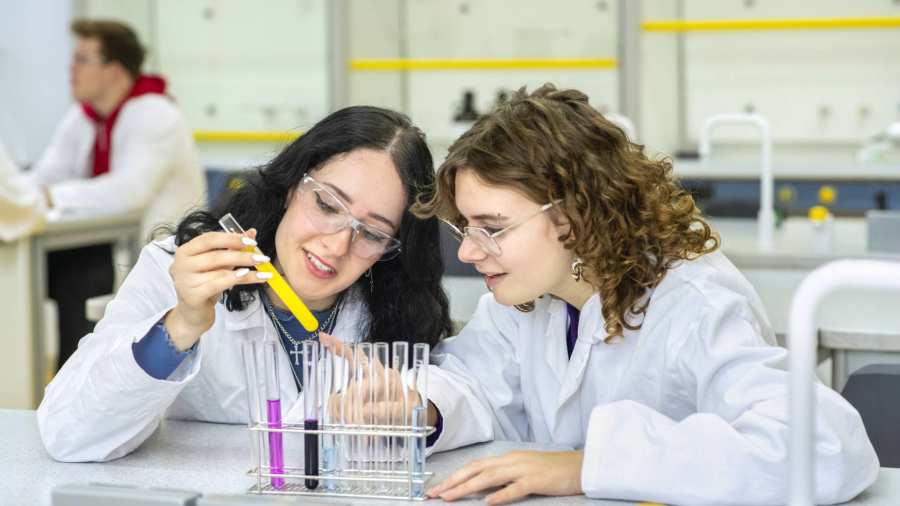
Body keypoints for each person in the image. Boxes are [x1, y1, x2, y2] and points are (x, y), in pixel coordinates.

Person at [408, 84, 878, 505]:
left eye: (492, 228)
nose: (468, 251)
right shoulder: (523, 298)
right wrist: (421, 405)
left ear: (573, 215)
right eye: (466, 228)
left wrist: (587, 467)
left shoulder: (694, 301)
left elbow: (820, 447)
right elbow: (478, 382)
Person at [37, 105, 453, 463]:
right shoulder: (177, 268)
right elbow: (69, 435)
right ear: (291, 186)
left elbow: (456, 411)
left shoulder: (401, 306)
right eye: (327, 204)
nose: (338, 244)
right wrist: (180, 326)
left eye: (374, 233)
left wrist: (420, 413)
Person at [20, 20, 205, 369]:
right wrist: (20, 195)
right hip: (104, 246)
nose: (70, 69)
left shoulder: (155, 114)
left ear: (114, 70)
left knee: (76, 275)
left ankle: (74, 374)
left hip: (157, 257)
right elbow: (48, 174)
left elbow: (128, 192)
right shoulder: (84, 117)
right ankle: (65, 374)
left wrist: (51, 197)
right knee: (52, 270)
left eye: (82, 59)